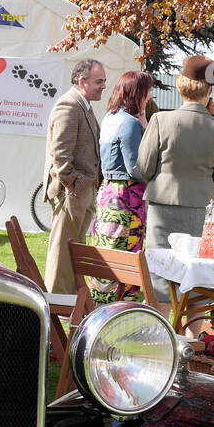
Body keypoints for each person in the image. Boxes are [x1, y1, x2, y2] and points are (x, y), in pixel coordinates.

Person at [135, 55, 214, 307]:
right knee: (197, 275)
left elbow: (144, 168)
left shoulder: (160, 120)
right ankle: (193, 343)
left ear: (181, 85)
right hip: (201, 205)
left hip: (162, 204)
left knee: (159, 275)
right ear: (209, 90)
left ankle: (159, 340)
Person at [88, 70, 153, 302]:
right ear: (138, 93)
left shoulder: (110, 117)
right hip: (127, 197)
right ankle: (122, 308)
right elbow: (136, 167)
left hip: (109, 193)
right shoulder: (129, 123)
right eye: (147, 91)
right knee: (126, 256)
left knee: (108, 249)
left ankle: (101, 303)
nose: (150, 95)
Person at [43, 58, 106, 294]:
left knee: (73, 252)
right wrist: (72, 184)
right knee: (62, 254)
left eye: (104, 81)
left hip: (82, 191)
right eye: (98, 81)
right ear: (82, 81)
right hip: (72, 192)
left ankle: (67, 304)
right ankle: (55, 306)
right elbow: (60, 153)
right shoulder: (69, 106)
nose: (103, 86)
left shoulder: (82, 105)